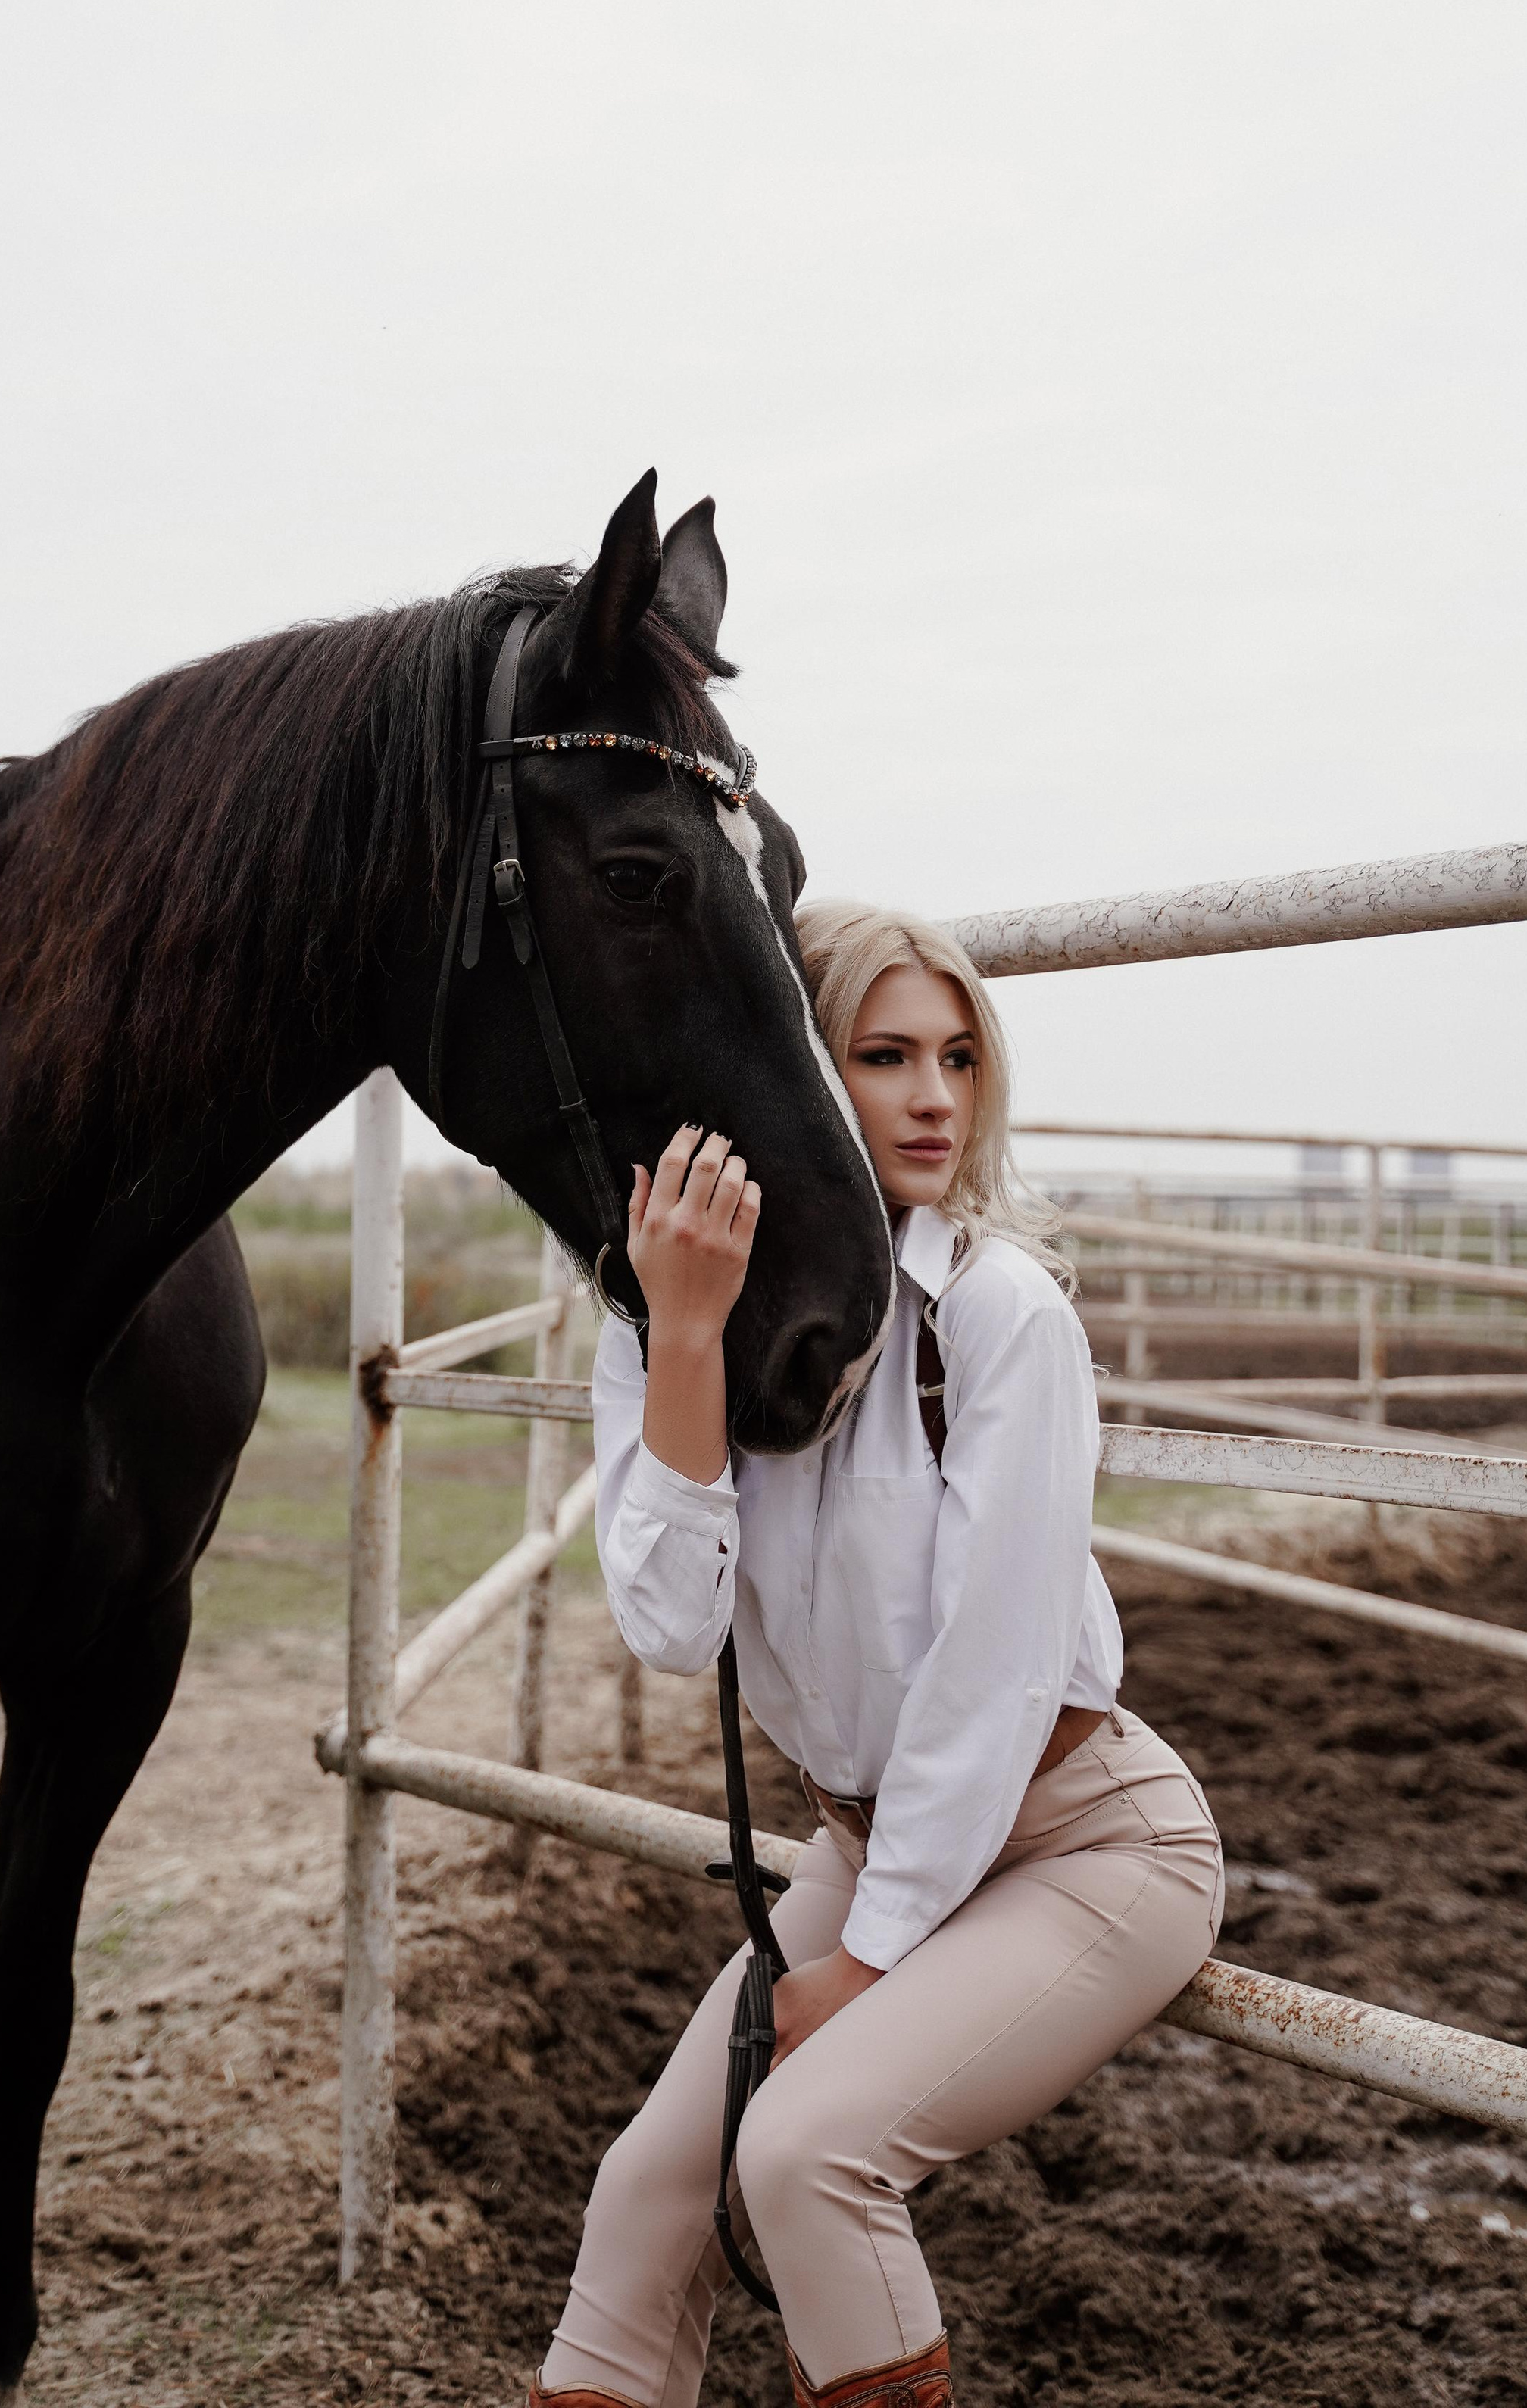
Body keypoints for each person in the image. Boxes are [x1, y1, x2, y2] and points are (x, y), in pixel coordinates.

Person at [531, 903, 1224, 2408]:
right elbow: (669, 1625)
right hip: (877, 1838)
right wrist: (690, 1337)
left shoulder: (995, 1313)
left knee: (803, 2151)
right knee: (645, 2192)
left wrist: (867, 1956)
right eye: (882, 1054)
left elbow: (989, 1681)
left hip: (1081, 1840)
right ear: (785, 1071)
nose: (930, 1097)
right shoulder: (660, 1315)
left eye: (957, 1058)